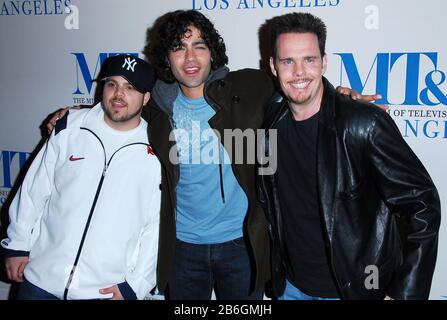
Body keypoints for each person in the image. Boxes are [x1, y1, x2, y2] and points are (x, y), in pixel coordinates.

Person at [47, 10, 380, 300]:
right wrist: (76, 113)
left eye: (199, 46)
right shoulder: (157, 108)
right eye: (179, 48)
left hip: (241, 245)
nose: (190, 58)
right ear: (167, 57)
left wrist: (340, 95)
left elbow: (300, 84)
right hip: (180, 248)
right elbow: (120, 107)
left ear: (212, 53)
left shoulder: (250, 87)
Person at [258, 12, 441, 300]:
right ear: (272, 66)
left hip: (356, 291)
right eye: (287, 61)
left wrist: (403, 293)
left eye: (309, 59)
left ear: (324, 62)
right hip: (291, 288)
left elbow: (422, 205)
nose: (299, 72)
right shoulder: (271, 117)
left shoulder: (363, 124)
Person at [1, 55, 161, 300]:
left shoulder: (157, 150)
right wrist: (17, 245)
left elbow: (155, 224)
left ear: (146, 97)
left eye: (130, 88)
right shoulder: (69, 127)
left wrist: (136, 284)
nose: (118, 94)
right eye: (112, 84)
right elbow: (35, 189)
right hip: (40, 280)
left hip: (103, 291)